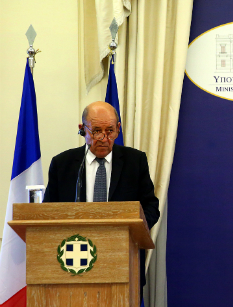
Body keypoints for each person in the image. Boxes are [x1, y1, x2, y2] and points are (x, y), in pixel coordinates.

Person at [44, 101, 160, 294]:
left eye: (110, 131)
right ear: (82, 130)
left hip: (123, 259)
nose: (104, 138)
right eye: (96, 131)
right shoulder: (62, 164)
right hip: (73, 262)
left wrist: (133, 232)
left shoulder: (135, 161)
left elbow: (150, 206)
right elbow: (48, 211)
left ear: (118, 129)